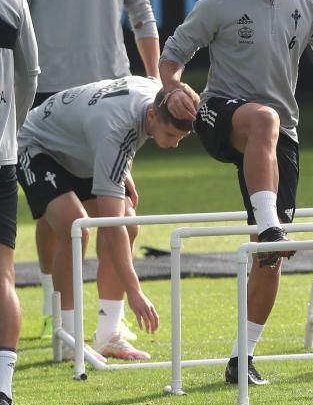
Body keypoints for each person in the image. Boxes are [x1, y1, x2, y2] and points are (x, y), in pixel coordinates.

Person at [159, 0, 313, 387]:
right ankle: (269, 228)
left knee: (270, 262)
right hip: (221, 112)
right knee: (264, 119)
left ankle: (242, 359)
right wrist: (174, 88)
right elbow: (173, 56)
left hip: (282, 130)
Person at [5, 0, 160, 339]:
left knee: (117, 219)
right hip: (45, 98)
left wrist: (154, 81)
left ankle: (102, 326)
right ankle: (59, 309)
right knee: (58, 222)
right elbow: (8, 23)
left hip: (109, 103)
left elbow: (142, 14)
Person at [16, 76, 194, 361]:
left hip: (83, 150)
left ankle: (108, 334)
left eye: (181, 138)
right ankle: (67, 337)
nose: (174, 145)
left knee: (130, 222)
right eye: (171, 135)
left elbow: (119, 134)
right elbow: (111, 229)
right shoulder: (116, 129)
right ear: (152, 115)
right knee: (76, 229)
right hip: (37, 144)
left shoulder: (157, 96)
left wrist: (123, 171)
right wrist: (135, 292)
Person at [0, 0, 40, 405]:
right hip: (1, 157)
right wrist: (12, 127)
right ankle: (2, 391)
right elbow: (29, 74)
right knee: (3, 277)